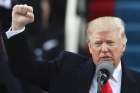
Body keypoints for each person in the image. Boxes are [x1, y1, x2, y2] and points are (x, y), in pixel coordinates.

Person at [4, 4, 140, 93]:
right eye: (98, 43)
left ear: (123, 45)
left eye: (110, 43)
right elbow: (24, 68)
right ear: (90, 46)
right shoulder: (67, 68)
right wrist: (17, 28)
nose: (104, 49)